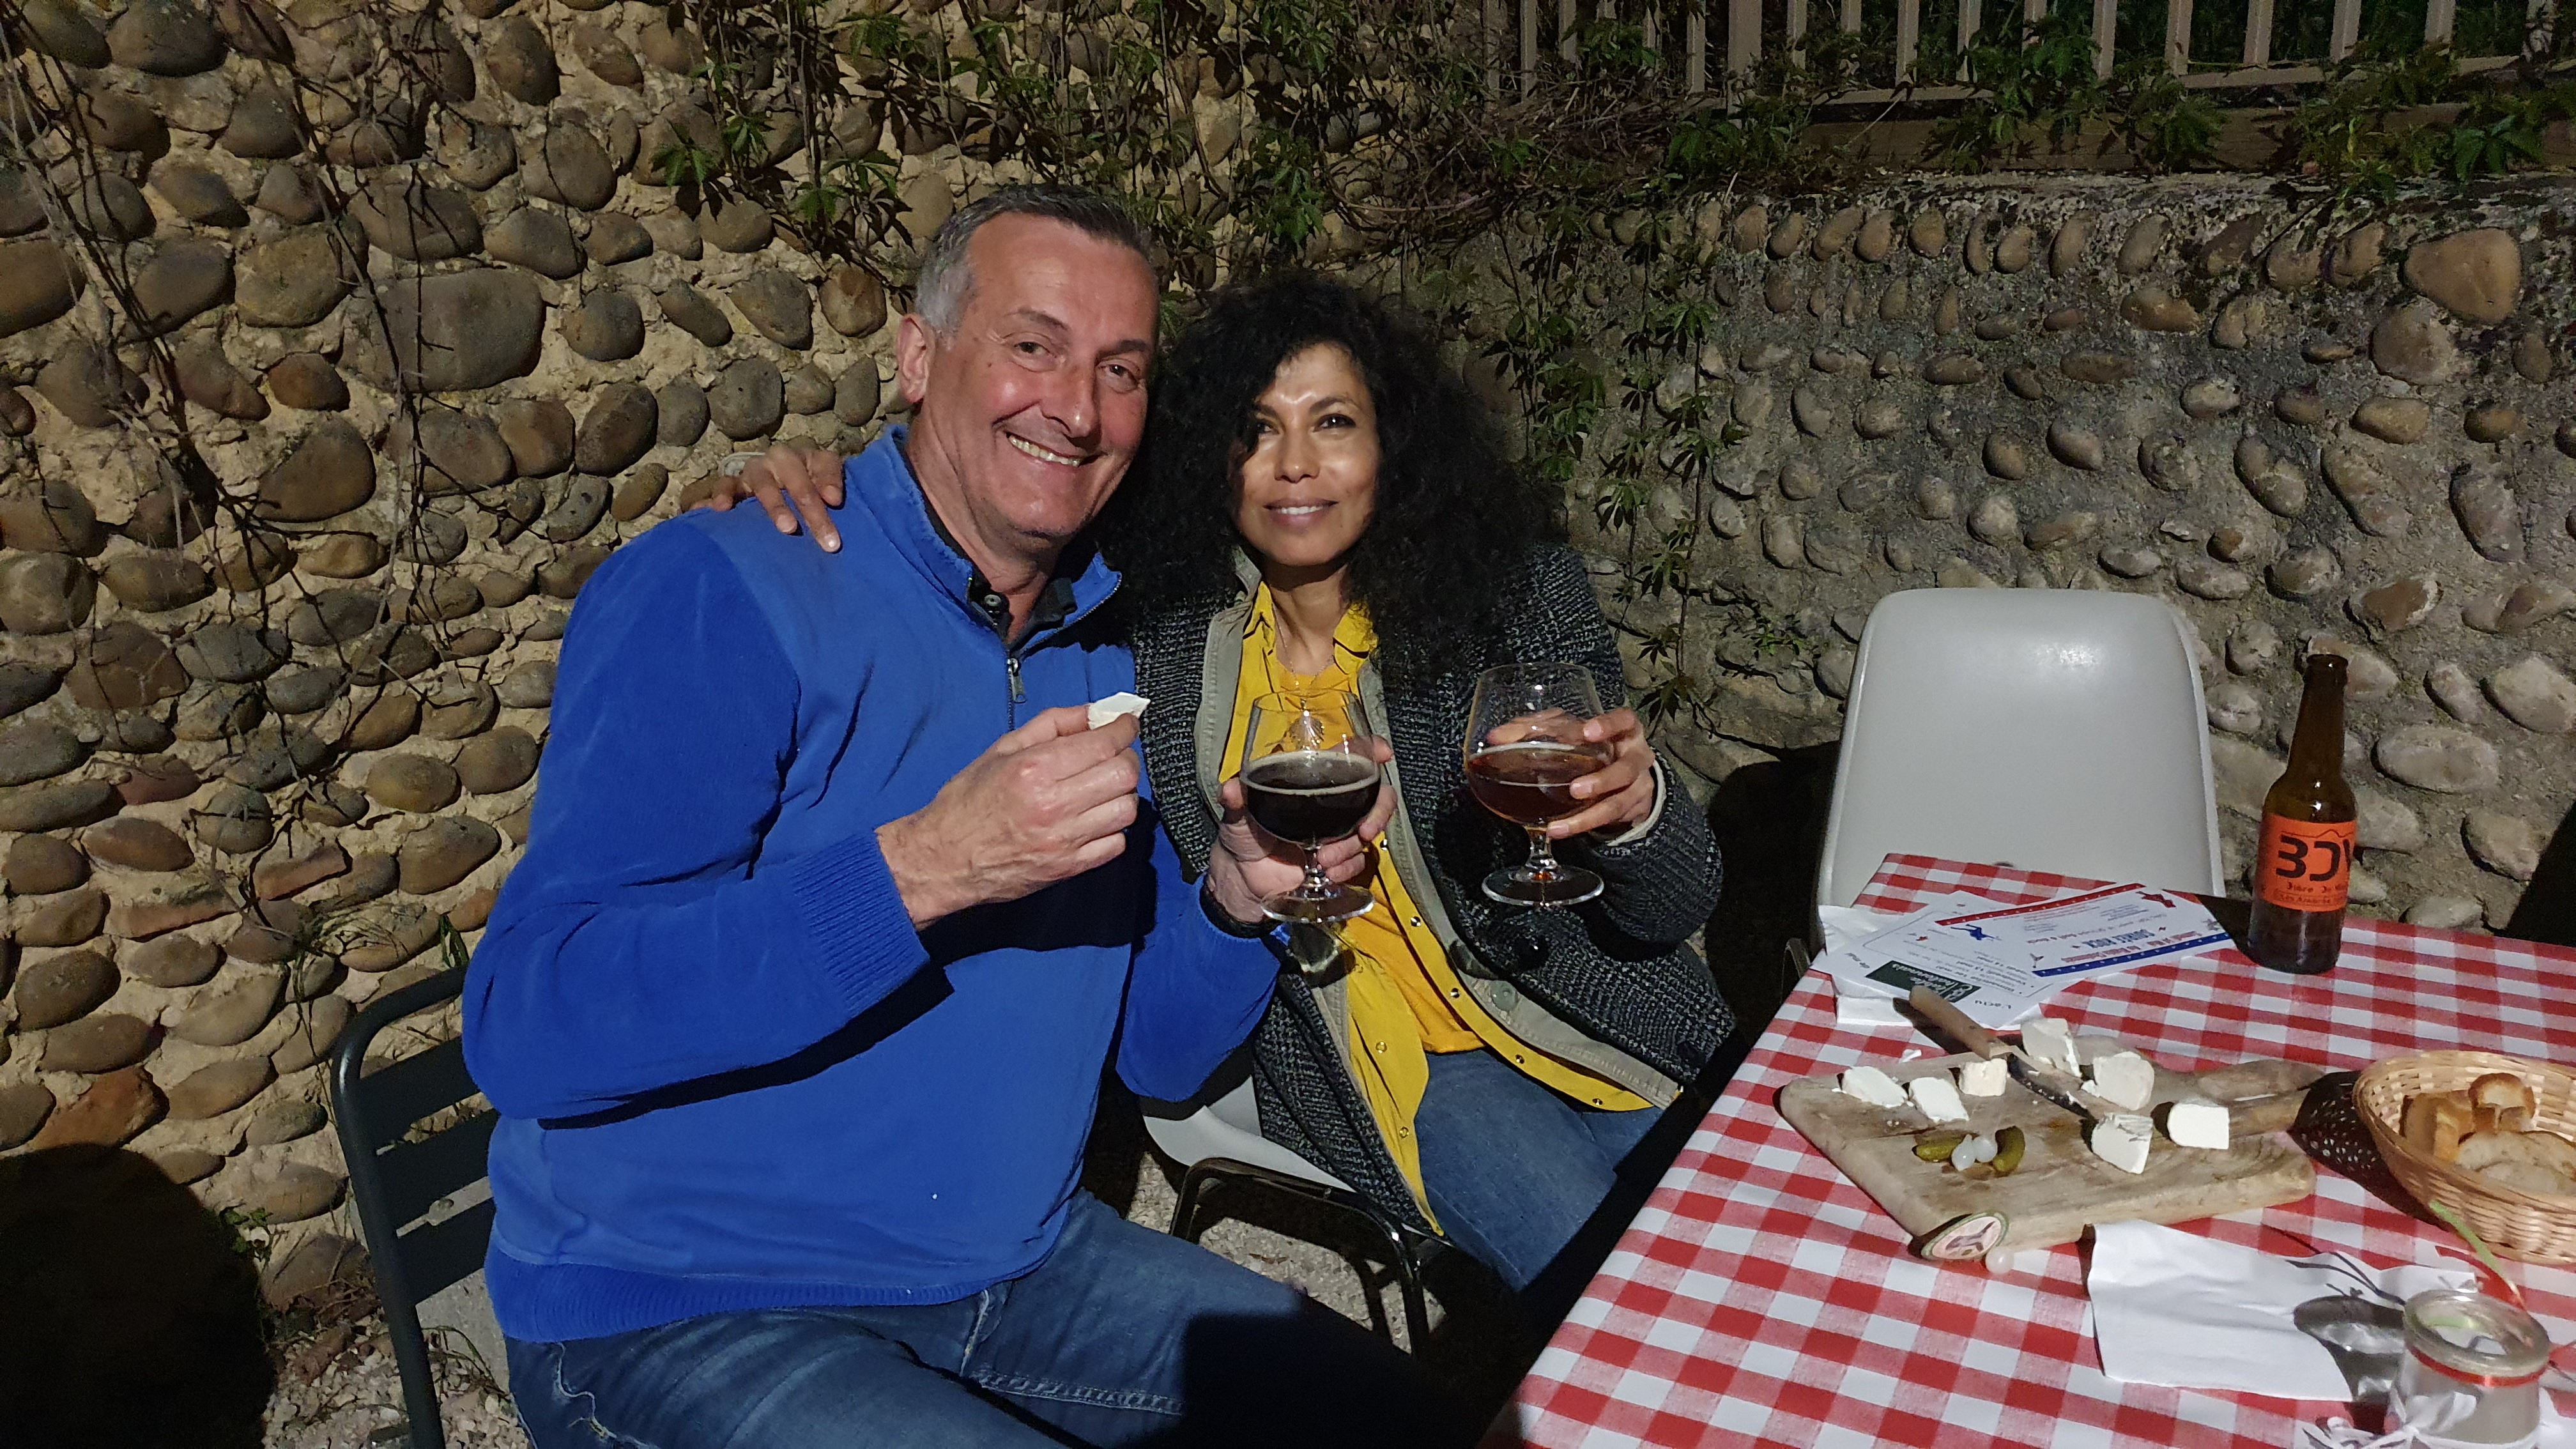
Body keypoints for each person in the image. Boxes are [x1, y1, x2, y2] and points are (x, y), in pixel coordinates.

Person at [464, 189, 1470, 1449]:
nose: (1078, 409)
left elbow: (1158, 1059)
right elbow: (527, 1027)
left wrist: (1234, 900)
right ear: (918, 355)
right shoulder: (722, 587)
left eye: (1121, 369)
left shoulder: (1103, 650)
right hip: (690, 1301)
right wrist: (923, 869)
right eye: (1033, 345)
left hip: (1014, 1270)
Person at [714, 273, 1735, 1334]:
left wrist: (1638, 812)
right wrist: (810, 487)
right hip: (1398, 1058)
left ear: (1392, 447)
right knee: (1632, 1307)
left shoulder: (1514, 603)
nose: (1294, 464)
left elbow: (1675, 907)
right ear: (1214, 458)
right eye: (1257, 430)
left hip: (1587, 1007)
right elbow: (973, 510)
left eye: (1332, 423)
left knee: (1761, 1235)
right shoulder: (1150, 647)